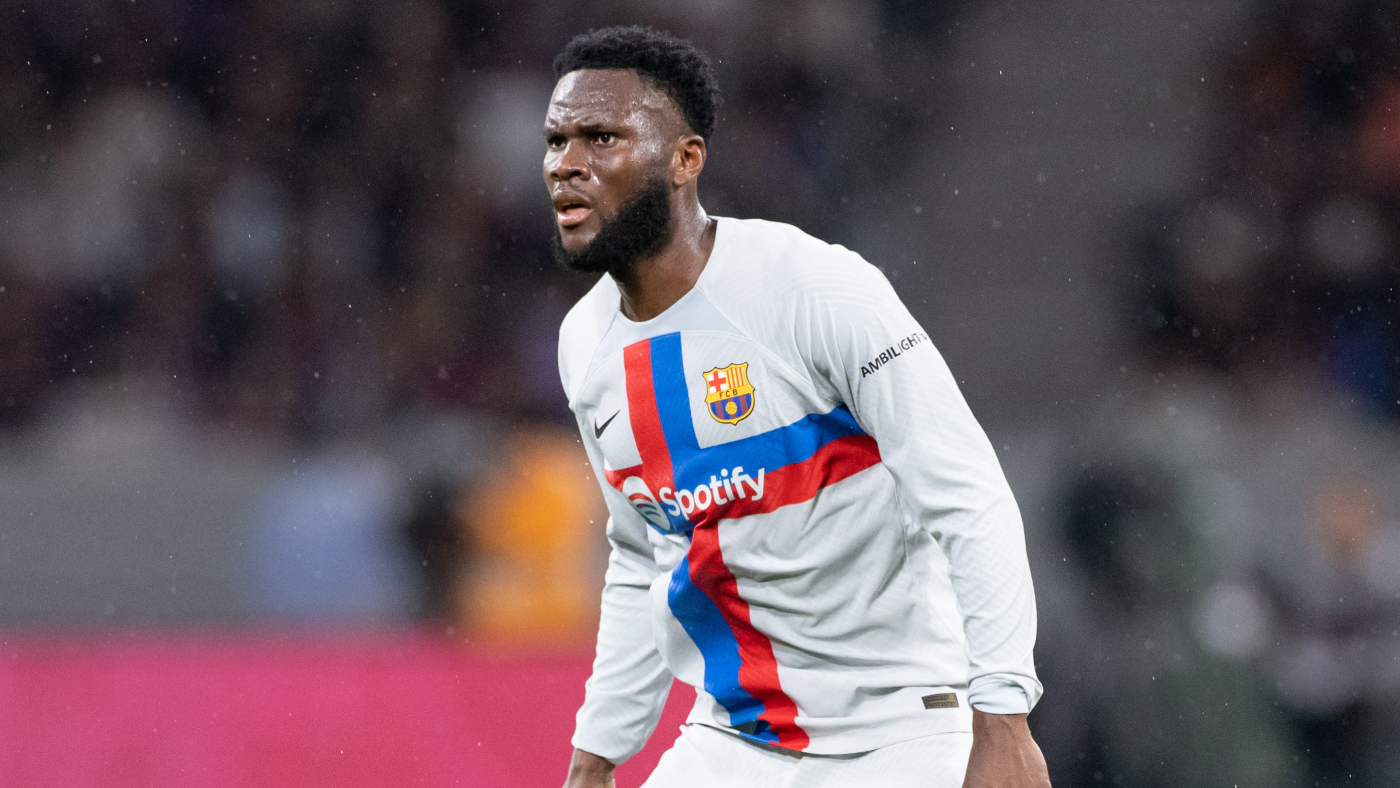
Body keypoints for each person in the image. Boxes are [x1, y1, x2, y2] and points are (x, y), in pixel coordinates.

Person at [547, 26, 1050, 788]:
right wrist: (597, 754)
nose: (566, 164)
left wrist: (1004, 714)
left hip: (899, 735)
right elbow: (645, 551)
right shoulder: (584, 345)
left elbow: (968, 497)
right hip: (733, 736)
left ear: (685, 159)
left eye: (601, 138)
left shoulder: (813, 289)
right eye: (556, 141)